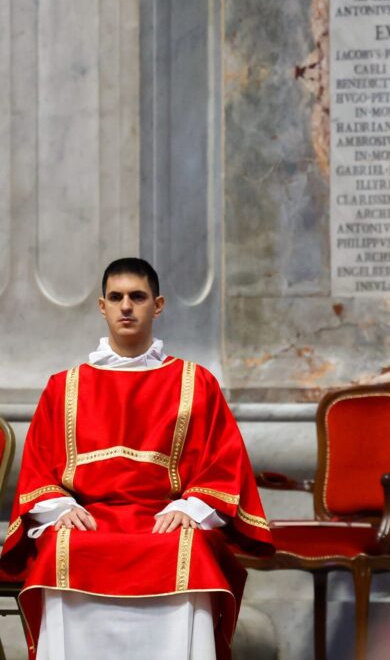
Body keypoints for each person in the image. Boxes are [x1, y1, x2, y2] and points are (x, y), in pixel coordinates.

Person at [1, 258, 273, 659]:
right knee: (62, 542)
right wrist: (59, 509)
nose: (126, 306)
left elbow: (223, 463)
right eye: (116, 297)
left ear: (157, 305)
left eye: (137, 297)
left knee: (192, 547)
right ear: (102, 306)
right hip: (89, 516)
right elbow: (40, 468)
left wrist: (192, 509)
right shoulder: (65, 387)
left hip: (165, 517)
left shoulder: (194, 383)